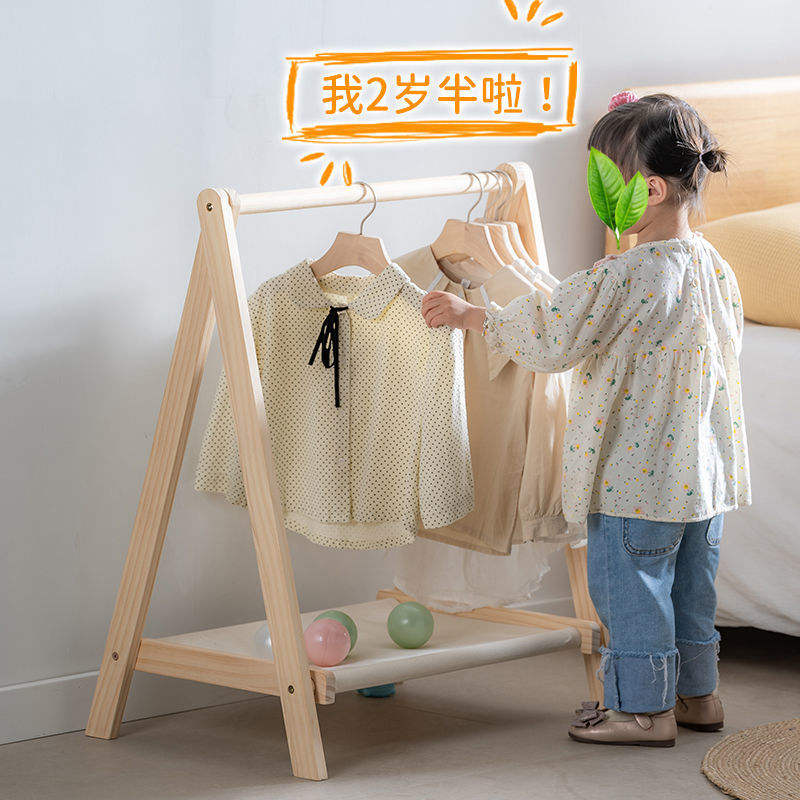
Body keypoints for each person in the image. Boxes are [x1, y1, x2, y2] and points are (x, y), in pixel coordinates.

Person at [421, 92, 750, 747]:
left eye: (604, 180)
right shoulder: (713, 265)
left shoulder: (622, 276)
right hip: (702, 476)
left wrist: (472, 315)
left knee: (631, 589)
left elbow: (552, 336)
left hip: (636, 479)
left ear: (649, 189)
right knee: (691, 590)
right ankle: (698, 696)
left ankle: (642, 711)